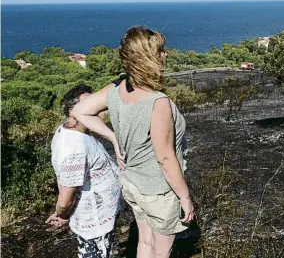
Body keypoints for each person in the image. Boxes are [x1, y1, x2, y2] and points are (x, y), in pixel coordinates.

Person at [72, 26, 195, 258]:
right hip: (158, 191)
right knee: (161, 250)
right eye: (161, 51)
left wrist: (114, 138)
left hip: (132, 184)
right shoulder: (157, 102)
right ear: (148, 58)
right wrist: (185, 198)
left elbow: (80, 111)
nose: (165, 55)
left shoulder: (116, 88)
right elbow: (166, 159)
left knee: (145, 243)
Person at [46, 83, 121, 258]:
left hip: (101, 218)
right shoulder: (72, 146)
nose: (94, 107)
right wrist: (62, 215)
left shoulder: (80, 132)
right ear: (73, 111)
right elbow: (66, 197)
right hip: (94, 224)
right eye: (87, 103)